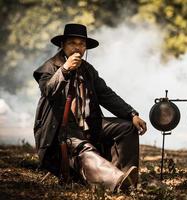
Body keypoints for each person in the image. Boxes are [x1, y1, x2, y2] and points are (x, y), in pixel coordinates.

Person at [33, 23, 147, 192]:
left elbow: (106, 95)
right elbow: (48, 90)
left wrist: (131, 114)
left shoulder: (88, 70)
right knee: (83, 149)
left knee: (127, 128)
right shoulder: (49, 67)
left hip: (89, 124)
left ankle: (128, 177)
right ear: (62, 45)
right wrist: (64, 70)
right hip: (60, 131)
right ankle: (116, 182)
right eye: (72, 43)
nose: (77, 48)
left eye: (82, 44)